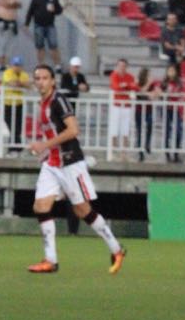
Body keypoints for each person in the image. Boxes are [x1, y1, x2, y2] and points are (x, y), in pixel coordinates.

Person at [27, 65, 126, 274]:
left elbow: (73, 130)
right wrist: (46, 152)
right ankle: (50, 260)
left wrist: (44, 145)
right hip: (52, 163)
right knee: (40, 206)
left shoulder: (58, 101)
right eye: (37, 78)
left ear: (53, 81)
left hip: (70, 163)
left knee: (82, 210)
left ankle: (116, 249)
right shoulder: (43, 103)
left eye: (45, 78)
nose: (41, 81)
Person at [25, 0, 62, 69]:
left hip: (50, 25)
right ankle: (41, 65)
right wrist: (27, 23)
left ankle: (57, 65)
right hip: (38, 25)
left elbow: (59, 10)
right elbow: (30, 11)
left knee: (53, 45)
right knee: (40, 46)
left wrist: (55, 10)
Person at [108, 58, 136, 160]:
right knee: (114, 129)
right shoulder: (114, 75)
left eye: (124, 66)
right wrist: (125, 86)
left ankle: (124, 153)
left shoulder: (130, 77)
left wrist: (125, 85)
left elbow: (134, 87)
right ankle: (113, 151)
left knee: (125, 130)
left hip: (126, 106)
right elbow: (115, 87)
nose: (122, 68)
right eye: (120, 66)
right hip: (116, 105)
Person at [1, 56, 30, 152]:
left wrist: (19, 83)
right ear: (12, 65)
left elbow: (28, 85)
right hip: (8, 103)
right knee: (10, 125)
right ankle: (15, 146)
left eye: (19, 65)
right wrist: (21, 84)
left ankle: (15, 147)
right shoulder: (7, 73)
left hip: (19, 104)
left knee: (18, 126)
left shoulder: (24, 74)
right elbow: (12, 84)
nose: (17, 67)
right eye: (15, 65)